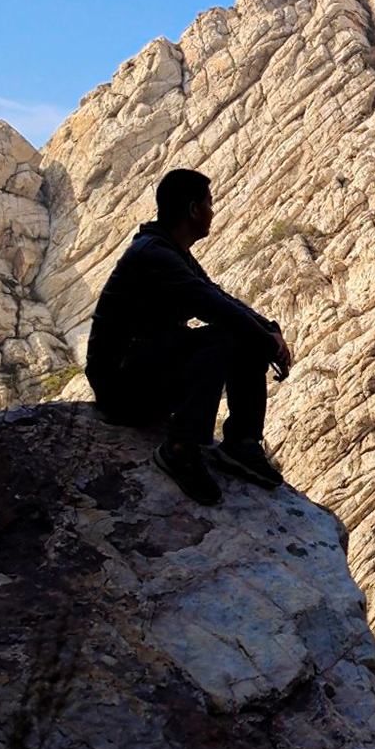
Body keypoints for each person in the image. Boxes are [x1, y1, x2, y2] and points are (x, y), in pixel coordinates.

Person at [85, 168, 292, 505]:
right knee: (226, 336)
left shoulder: (172, 253)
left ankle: (242, 443)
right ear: (194, 209)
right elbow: (212, 305)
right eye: (210, 204)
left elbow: (219, 295)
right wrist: (267, 342)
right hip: (118, 385)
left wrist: (268, 329)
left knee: (240, 333)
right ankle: (180, 449)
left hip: (144, 371)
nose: (214, 211)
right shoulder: (153, 255)